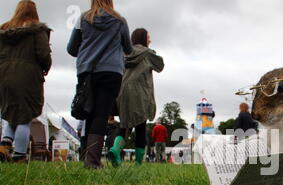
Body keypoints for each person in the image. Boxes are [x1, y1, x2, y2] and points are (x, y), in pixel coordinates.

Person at [67, 0, 132, 169]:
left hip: (87, 70)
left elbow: (71, 48)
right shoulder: (120, 21)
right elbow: (129, 48)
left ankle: (88, 159)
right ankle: (93, 161)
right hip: (111, 70)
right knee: (101, 114)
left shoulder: (83, 19)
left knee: (88, 111)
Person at [0, 0, 52, 163]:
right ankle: (19, 155)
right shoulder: (37, 30)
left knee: (11, 113)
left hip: (4, 74)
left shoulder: (4, 30)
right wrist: (46, 67)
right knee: (25, 116)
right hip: (27, 76)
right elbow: (43, 54)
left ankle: (4, 145)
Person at [108, 28, 164, 167]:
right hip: (140, 92)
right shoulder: (147, 53)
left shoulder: (124, 52)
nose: (150, 40)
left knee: (124, 124)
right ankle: (138, 163)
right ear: (143, 38)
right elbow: (160, 65)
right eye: (148, 37)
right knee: (140, 126)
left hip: (123, 91)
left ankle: (115, 149)